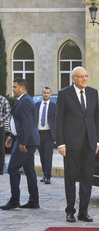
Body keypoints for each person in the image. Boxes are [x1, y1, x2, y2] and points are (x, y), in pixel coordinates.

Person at [56, 66, 99, 222]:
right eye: (81, 76)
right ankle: (70, 211)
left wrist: (97, 141)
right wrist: (61, 143)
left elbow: (96, 119)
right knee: (70, 179)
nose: (84, 79)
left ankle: (83, 212)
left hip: (89, 144)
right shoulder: (64, 94)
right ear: (73, 78)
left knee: (87, 179)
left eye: (86, 76)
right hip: (71, 144)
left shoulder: (93, 93)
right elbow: (59, 120)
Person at [0, 78, 40, 210]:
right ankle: (33, 201)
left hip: (25, 141)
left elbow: (28, 124)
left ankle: (14, 200)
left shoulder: (26, 101)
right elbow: (20, 122)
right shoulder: (23, 100)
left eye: (14, 87)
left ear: (22, 88)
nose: (13, 89)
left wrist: (23, 142)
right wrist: (11, 136)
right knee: (29, 170)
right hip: (24, 139)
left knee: (12, 168)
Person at [36, 87, 56, 184]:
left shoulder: (54, 106)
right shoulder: (36, 105)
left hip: (48, 134)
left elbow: (57, 121)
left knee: (48, 156)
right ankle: (45, 173)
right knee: (42, 155)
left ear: (50, 94)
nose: (46, 94)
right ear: (42, 93)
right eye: (44, 92)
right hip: (39, 134)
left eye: (48, 93)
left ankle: (48, 176)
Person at [0, 95, 11, 175]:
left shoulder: (3, 100)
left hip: (0, 127)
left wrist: (0, 120)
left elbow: (8, 113)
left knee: (1, 148)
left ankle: (0, 169)